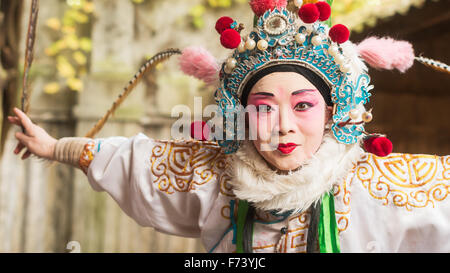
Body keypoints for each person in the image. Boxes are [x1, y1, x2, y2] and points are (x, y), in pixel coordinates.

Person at [8, 0, 450, 253]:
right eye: (263, 107)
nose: (282, 127)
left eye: (302, 106)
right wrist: (54, 147)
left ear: (333, 112)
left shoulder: (377, 184)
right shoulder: (216, 176)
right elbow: (132, 162)